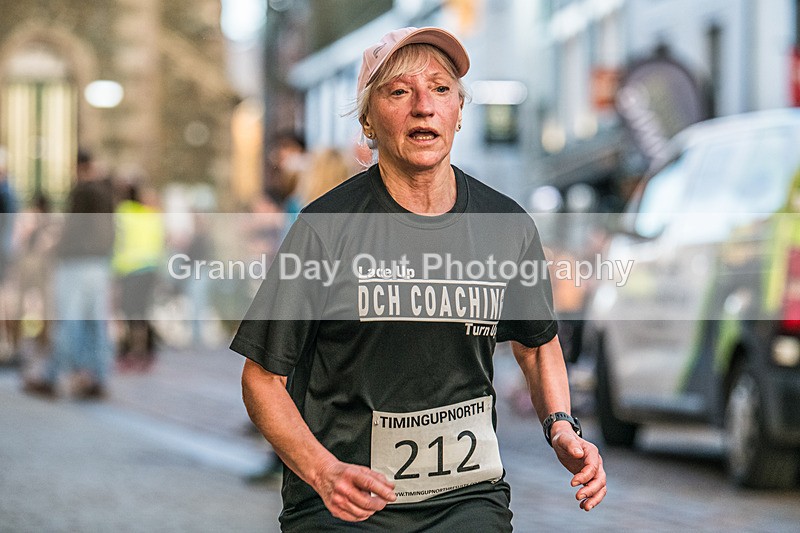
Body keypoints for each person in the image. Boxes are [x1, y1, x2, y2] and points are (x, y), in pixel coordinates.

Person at [231, 27, 606, 531]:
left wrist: (561, 425)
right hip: (346, 504)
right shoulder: (325, 229)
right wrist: (323, 473)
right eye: (399, 91)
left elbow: (537, 346)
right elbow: (262, 379)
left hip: (466, 500)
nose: (424, 106)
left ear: (458, 110)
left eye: (441, 88)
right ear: (368, 118)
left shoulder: (505, 225)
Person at [24, 149, 115, 399]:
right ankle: (97, 378)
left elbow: (73, 227)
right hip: (100, 263)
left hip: (75, 264)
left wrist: (55, 249)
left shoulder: (81, 191)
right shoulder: (107, 191)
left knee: (68, 321)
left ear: (76, 166)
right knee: (96, 324)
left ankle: (52, 377)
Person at [112, 181, 165, 371]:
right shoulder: (151, 215)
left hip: (129, 269)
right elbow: (160, 242)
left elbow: (117, 242)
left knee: (129, 313)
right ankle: (143, 352)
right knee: (142, 312)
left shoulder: (123, 212)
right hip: (150, 269)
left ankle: (132, 352)